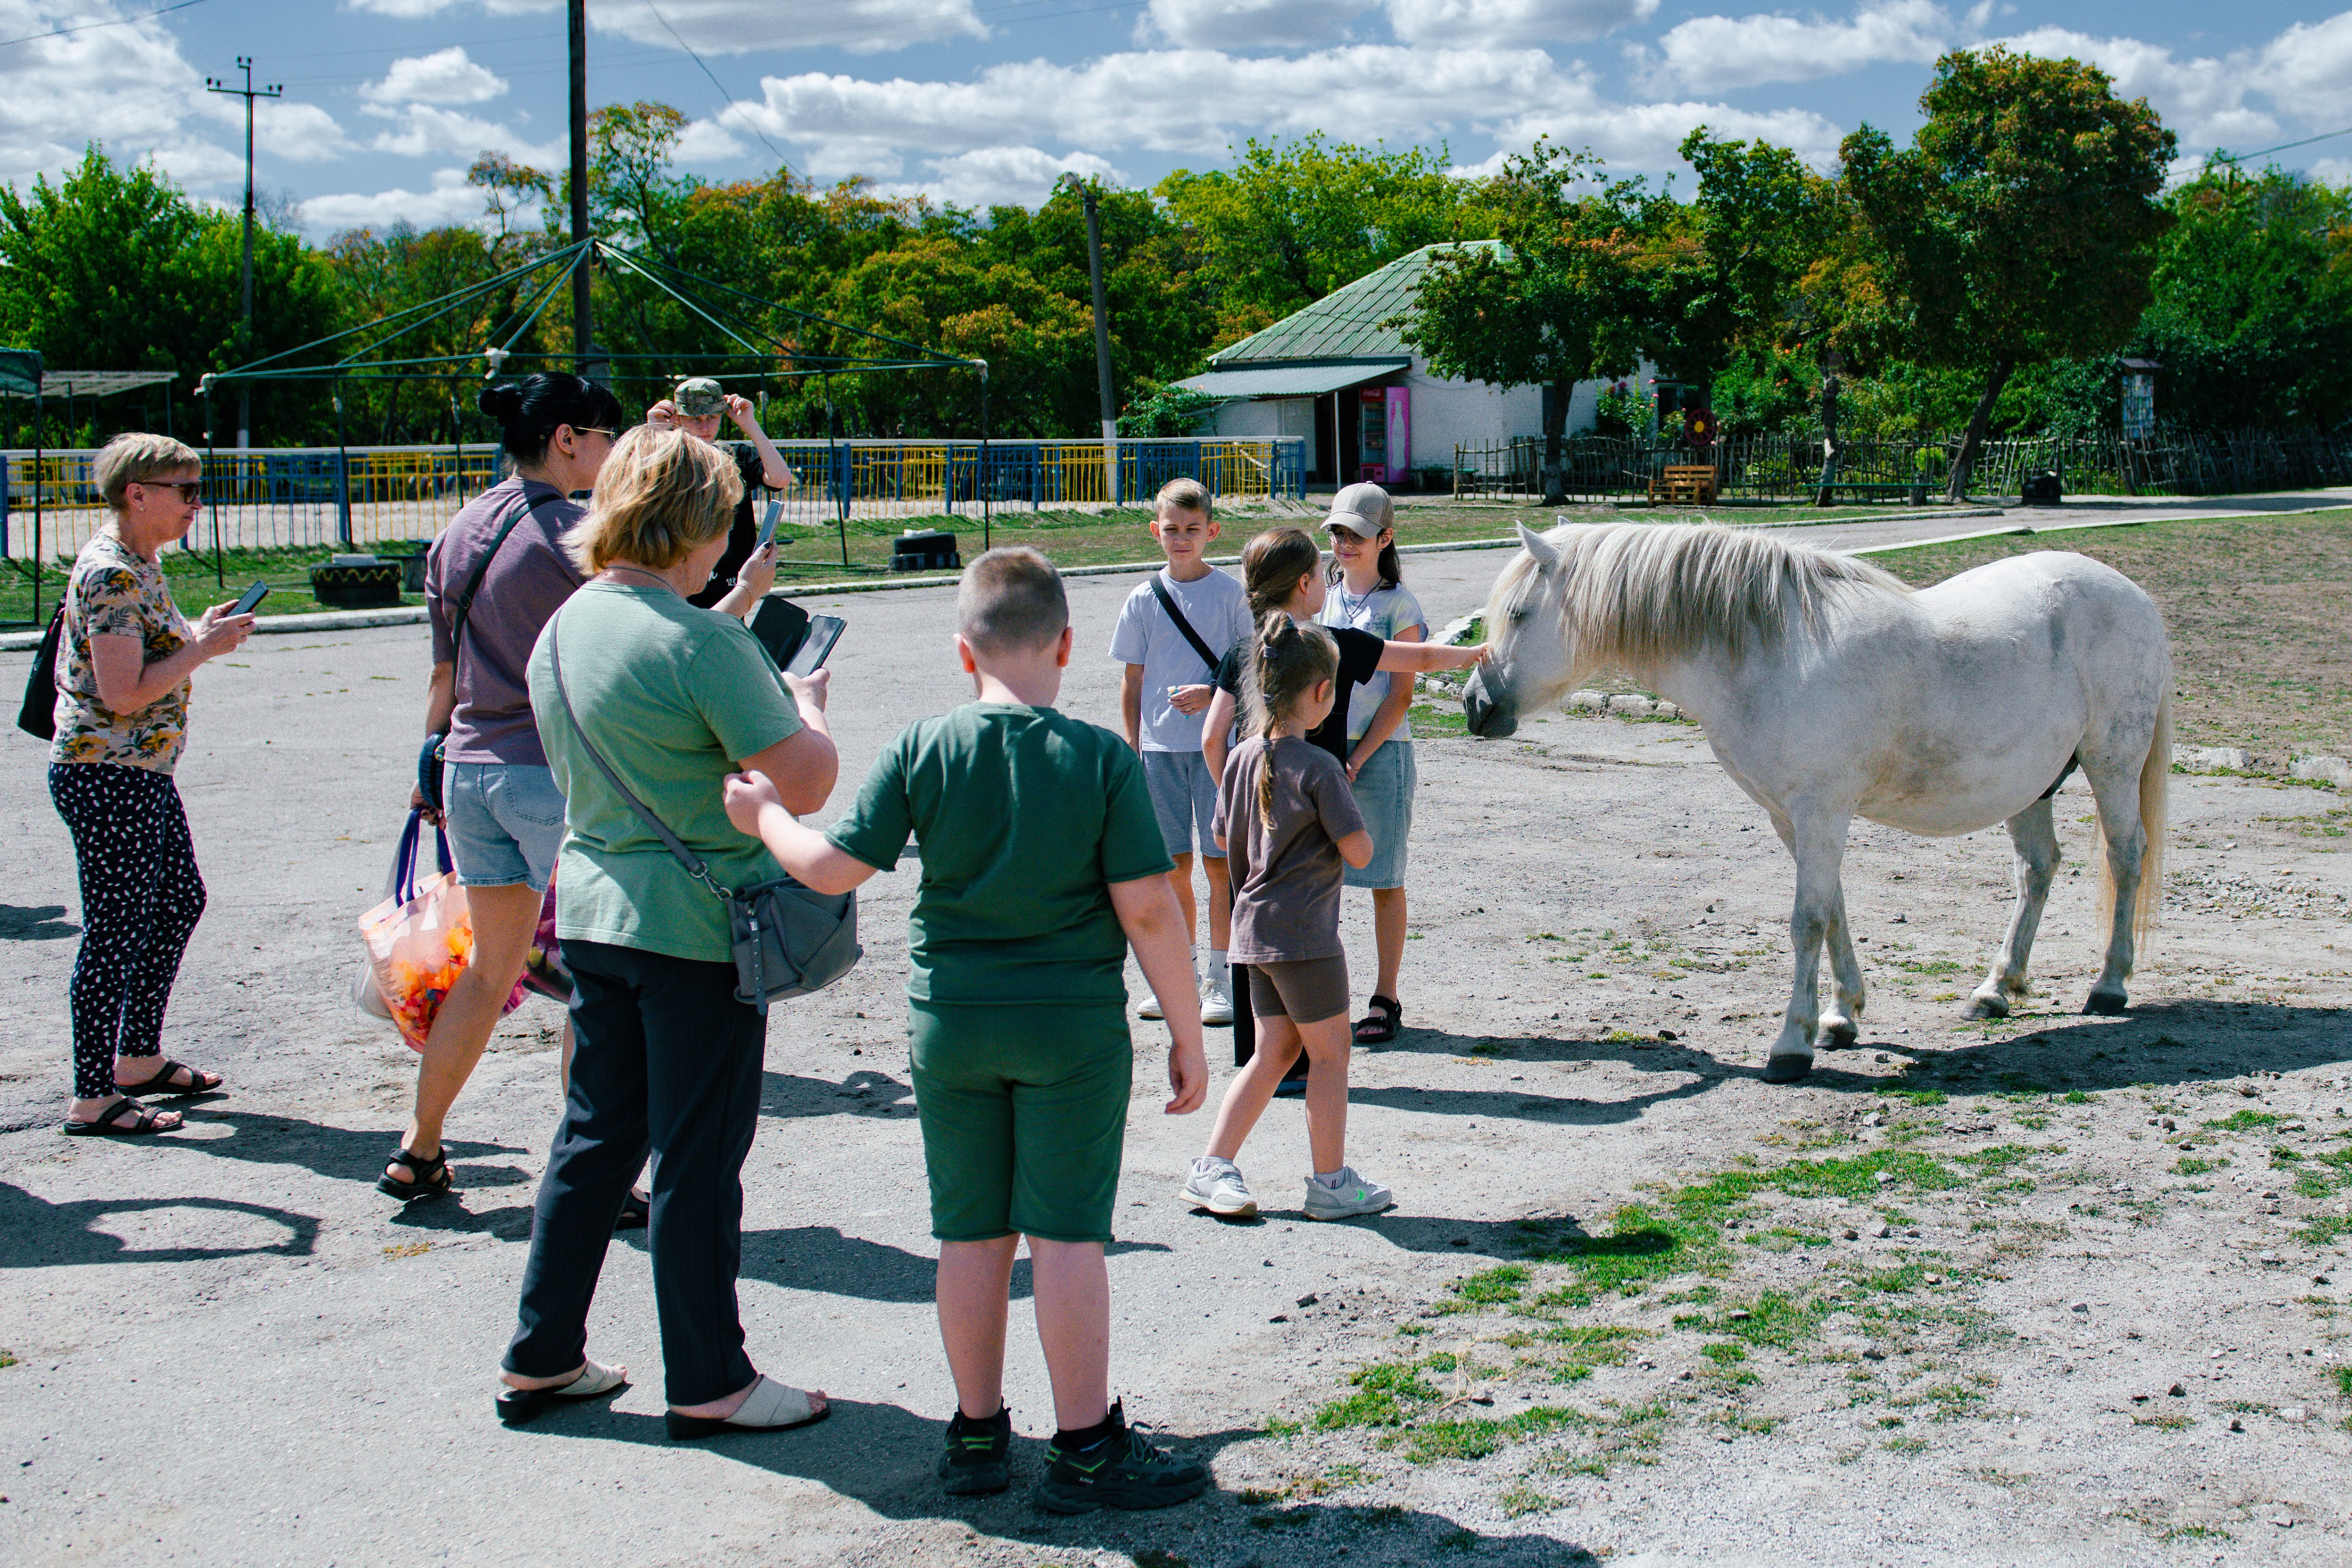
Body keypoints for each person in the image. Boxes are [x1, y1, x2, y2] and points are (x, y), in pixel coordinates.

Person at [723, 546, 1213, 1512]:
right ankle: (1082, 1449)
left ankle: (978, 1434)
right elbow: (1151, 912)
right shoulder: (1100, 759)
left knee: (970, 1236)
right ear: (1068, 644)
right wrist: (1188, 1030)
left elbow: (824, 868)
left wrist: (767, 812)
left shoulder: (921, 746)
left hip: (950, 1026)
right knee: (1067, 1239)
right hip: (1070, 1031)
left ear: (962, 653)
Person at [497, 426, 839, 1435]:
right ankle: (708, 1374)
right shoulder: (703, 640)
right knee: (698, 1157)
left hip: (596, 909)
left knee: (594, 1142)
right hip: (696, 926)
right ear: (699, 521)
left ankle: (542, 1353)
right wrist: (806, 703)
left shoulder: (567, 626)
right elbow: (807, 781)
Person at [385, 372, 630, 1204]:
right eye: (604, 436)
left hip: (468, 769)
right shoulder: (575, 532)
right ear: (567, 438)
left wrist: (430, 766)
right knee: (600, 983)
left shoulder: (460, 529)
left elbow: (443, 669)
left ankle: (418, 1147)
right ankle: (593, 1180)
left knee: (490, 974)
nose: (609, 452)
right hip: (548, 775)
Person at [1200, 528, 1485, 1096]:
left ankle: (1262, 1060)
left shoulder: (1242, 652)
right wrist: (1478, 653)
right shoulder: (1329, 642)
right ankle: (1305, 1063)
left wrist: (1244, 793)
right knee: (1307, 932)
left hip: (1253, 824)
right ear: (1306, 584)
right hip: (1314, 823)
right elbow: (1421, 656)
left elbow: (1213, 738)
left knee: (1253, 930)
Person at [51, 434, 255, 1135]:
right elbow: (123, 693)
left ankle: (136, 1056)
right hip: (106, 772)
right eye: (186, 490)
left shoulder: (142, 562)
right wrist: (206, 649)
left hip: (137, 771)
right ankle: (92, 1092)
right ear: (138, 493)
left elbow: (144, 656)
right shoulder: (113, 573)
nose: (198, 504)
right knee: (114, 928)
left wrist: (197, 632)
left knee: (176, 902)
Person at [1182, 613, 1383, 1221]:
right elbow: (1359, 851)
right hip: (1305, 938)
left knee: (1270, 1051)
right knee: (1330, 1055)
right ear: (1321, 692)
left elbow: (1222, 832)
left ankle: (1212, 1164)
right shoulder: (1319, 767)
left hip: (1252, 935)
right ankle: (1330, 1181)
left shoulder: (1241, 756)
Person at [1108, 477, 1251, 1027]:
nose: (1181, 538)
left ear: (1212, 531)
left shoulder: (1229, 594)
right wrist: (1130, 743)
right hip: (1159, 751)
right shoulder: (1142, 598)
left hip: (1218, 750)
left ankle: (1221, 978)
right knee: (1172, 869)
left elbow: (1249, 666)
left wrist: (1212, 694)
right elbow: (1132, 677)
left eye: (1193, 529)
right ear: (1155, 532)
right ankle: (1179, 976)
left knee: (1219, 867)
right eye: (1171, 530)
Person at [1319, 482, 1425, 1046]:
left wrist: (1356, 757)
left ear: (1385, 537)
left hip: (1379, 755)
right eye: (1337, 531)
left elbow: (1401, 695)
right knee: (1321, 879)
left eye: (1357, 534)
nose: (1344, 542)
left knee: (1384, 878)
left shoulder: (1398, 605)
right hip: (1324, 757)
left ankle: (1385, 996)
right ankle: (1322, 994)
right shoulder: (1323, 596)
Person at [644, 377, 796, 609]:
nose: (705, 427)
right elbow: (644, 490)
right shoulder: (670, 459)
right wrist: (656, 433)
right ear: (679, 419)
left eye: (712, 418)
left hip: (731, 585)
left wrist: (750, 424)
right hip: (681, 584)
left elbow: (781, 478)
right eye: (696, 419)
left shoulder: (736, 456)